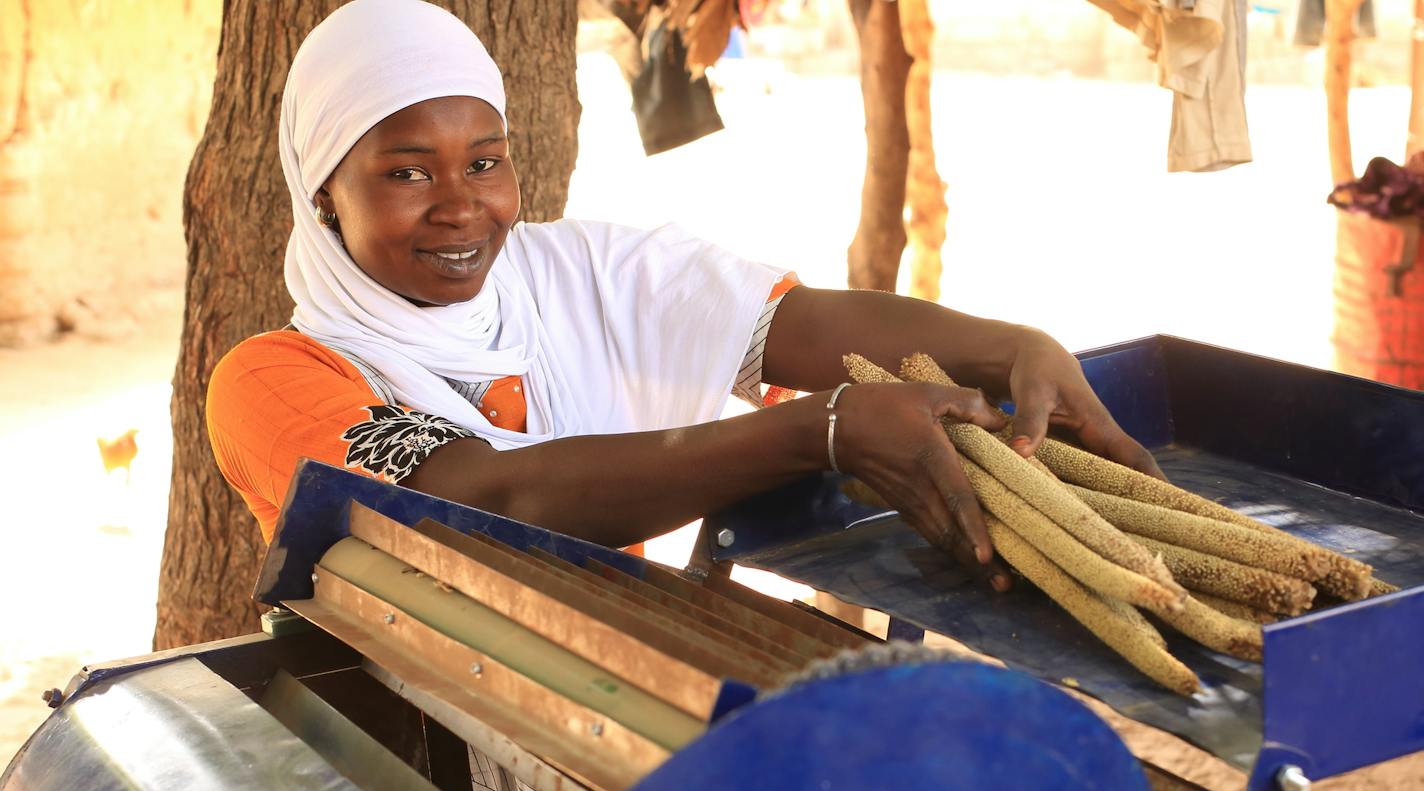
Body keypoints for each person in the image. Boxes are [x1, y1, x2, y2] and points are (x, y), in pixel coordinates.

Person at [207, 0, 1161, 597]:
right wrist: (815, 432)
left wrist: (1007, 348)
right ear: (323, 194)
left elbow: (801, 326)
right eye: (407, 172)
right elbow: (486, 498)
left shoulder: (576, 273)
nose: (462, 207)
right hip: (409, 769)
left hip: (607, 708)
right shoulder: (273, 381)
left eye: (486, 163)